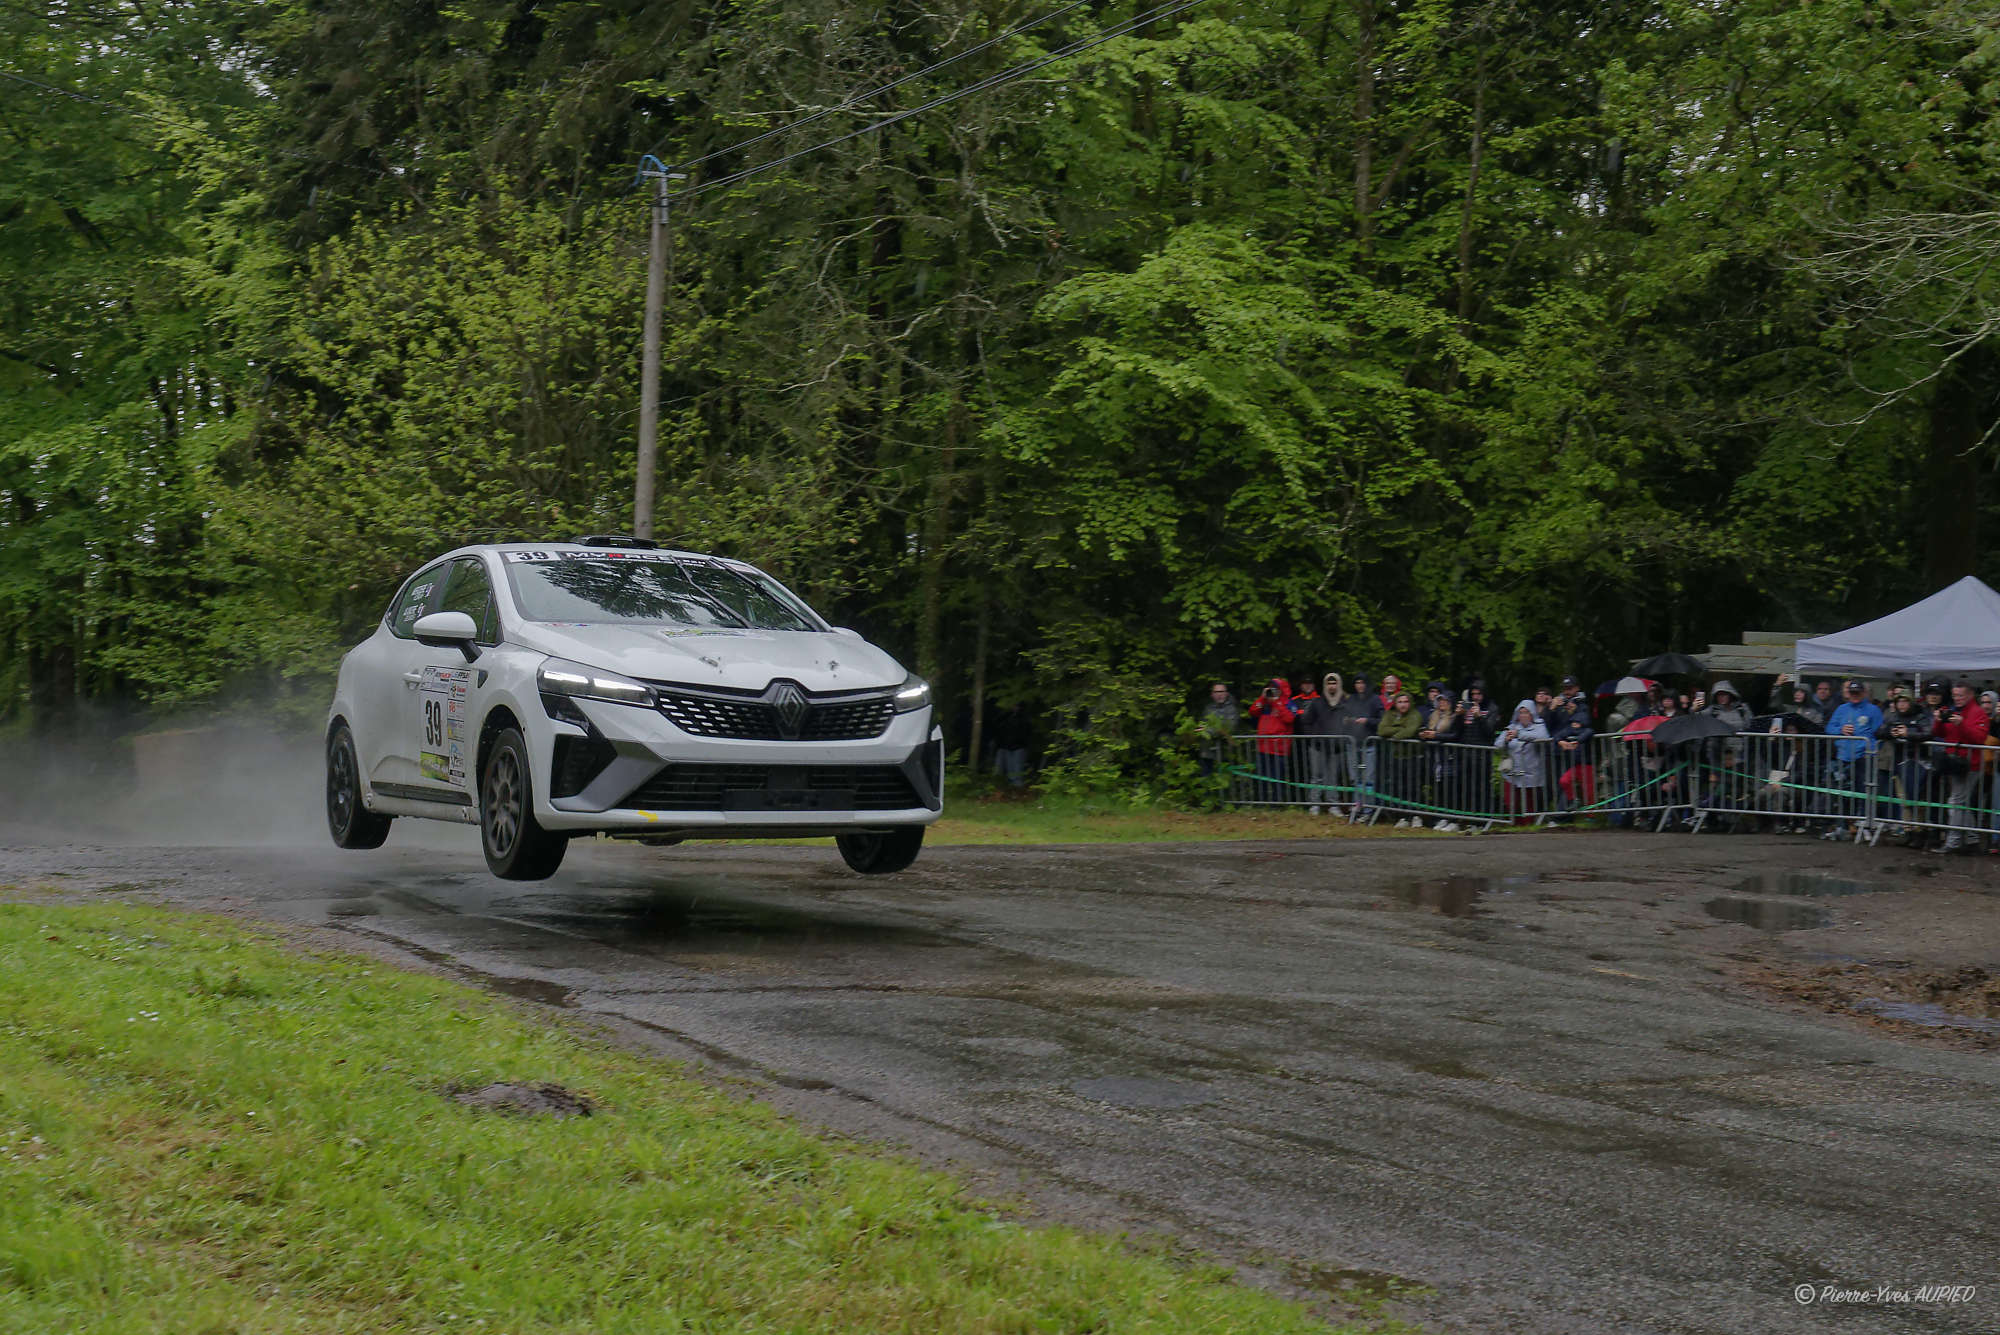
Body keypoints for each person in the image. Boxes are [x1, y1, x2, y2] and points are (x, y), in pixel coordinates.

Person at [1930, 682, 1992, 854]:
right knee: (1959, 802)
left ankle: (1953, 842)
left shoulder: (1978, 713)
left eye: (1960, 695)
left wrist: (1961, 724)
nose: (1957, 699)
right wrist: (1938, 721)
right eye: (1955, 695)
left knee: (1956, 801)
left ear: (1970, 695)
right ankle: (1972, 839)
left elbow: (1979, 738)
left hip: (1969, 764)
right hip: (1954, 762)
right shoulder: (1954, 710)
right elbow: (1941, 733)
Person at [1820, 680, 1882, 840]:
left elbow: (1879, 732)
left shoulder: (1873, 710)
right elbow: (1829, 729)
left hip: (1864, 757)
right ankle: (1842, 825)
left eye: (1857, 693)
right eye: (1852, 693)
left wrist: (1870, 748)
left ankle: (1864, 826)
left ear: (1863, 693)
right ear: (1848, 694)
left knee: (1863, 792)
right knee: (1841, 793)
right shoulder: (1841, 709)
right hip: (1843, 757)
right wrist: (1840, 729)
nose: (1855, 696)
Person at [1876, 691, 1933, 840]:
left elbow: (1928, 733)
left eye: (1905, 701)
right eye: (1899, 702)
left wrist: (1908, 733)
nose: (1902, 705)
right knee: (1904, 800)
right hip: (1900, 763)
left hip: (1919, 763)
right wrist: (1891, 732)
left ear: (1911, 702)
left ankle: (1920, 831)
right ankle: (1907, 831)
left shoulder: (1920, 716)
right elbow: (1879, 732)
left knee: (1919, 800)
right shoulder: (1893, 717)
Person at [1295, 673, 1354, 814]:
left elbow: (1351, 722)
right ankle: (1314, 804)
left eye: (1334, 683)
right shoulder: (1317, 702)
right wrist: (1312, 737)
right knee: (1317, 776)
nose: (1331, 686)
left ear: (1338, 685)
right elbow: (1306, 722)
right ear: (1325, 685)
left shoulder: (1345, 703)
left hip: (1337, 747)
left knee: (1333, 777)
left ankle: (1333, 805)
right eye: (1329, 683)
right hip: (1318, 746)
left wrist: (1345, 736)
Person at [1544, 675, 1596, 813]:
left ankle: (1562, 814)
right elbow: (1548, 726)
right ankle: (1563, 812)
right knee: (1557, 783)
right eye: (1565, 688)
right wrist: (1551, 709)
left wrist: (1573, 712)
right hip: (1557, 748)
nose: (1567, 691)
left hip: (1573, 751)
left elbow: (1583, 725)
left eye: (1570, 688)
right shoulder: (1558, 704)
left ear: (1577, 688)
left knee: (1565, 782)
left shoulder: (1582, 705)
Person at [1246, 677, 1301, 803]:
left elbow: (1290, 719)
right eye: (1270, 687)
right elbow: (1252, 711)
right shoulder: (1264, 703)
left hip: (1279, 748)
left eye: (1275, 688)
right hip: (1263, 747)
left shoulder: (1288, 703)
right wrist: (1262, 698)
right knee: (1261, 777)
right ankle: (1261, 802)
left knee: (1277, 778)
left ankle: (1278, 803)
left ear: (1281, 690)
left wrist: (1277, 702)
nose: (1272, 690)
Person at [1496, 700, 1550, 824]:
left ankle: (1528, 827)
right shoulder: (1511, 727)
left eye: (1526, 712)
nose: (1523, 715)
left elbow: (1544, 737)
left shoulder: (1539, 725)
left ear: (1532, 714)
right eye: (1521, 713)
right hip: (1512, 772)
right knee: (1511, 802)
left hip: (1531, 771)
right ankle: (1516, 824)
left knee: (1529, 803)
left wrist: (1519, 734)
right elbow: (1497, 744)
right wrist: (1506, 739)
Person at [1376, 690, 1425, 818]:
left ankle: (1416, 816)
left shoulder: (1415, 714)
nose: (1403, 705)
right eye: (1400, 702)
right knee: (1399, 787)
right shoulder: (1390, 714)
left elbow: (1410, 731)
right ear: (1395, 703)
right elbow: (1381, 730)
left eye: (1406, 701)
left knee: (1413, 788)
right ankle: (1402, 816)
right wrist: (1400, 728)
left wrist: (1395, 735)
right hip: (1397, 757)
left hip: (1413, 757)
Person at [1196, 682, 1241, 782]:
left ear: (1226, 693)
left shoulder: (1232, 709)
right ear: (1212, 694)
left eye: (1221, 691)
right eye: (1216, 692)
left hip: (1225, 753)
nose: (1219, 694)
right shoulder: (1208, 709)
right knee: (1206, 782)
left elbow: (1229, 728)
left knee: (1225, 783)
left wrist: (1208, 730)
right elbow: (1202, 725)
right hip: (1207, 753)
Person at [990, 704, 1032, 788]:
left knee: (1017, 767)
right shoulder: (1006, 717)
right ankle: (1013, 787)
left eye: (1016, 706)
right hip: (1008, 746)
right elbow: (999, 728)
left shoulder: (1023, 718)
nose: (1014, 707)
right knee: (1010, 769)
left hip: (1018, 747)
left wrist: (1021, 743)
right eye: (1013, 706)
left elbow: (1025, 733)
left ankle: (1018, 787)